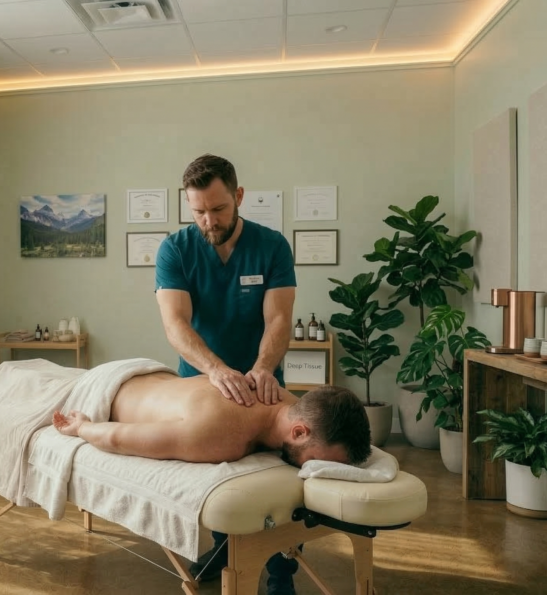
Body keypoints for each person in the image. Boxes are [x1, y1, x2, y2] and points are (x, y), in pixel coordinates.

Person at [154, 154, 299, 593]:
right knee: (214, 476)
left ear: (238, 196)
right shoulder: (175, 249)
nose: (208, 220)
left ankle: (280, 571)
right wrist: (217, 370)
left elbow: (278, 319)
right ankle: (222, 550)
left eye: (217, 209)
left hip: (265, 380)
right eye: (198, 211)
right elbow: (175, 323)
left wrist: (261, 369)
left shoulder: (271, 245)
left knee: (276, 478)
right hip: (201, 382)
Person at [52, 373, 372, 469]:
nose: (318, 469)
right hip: (111, 386)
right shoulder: (220, 436)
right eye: (319, 462)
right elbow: (119, 438)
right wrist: (81, 427)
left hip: (159, 379)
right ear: (300, 432)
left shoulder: (289, 402)